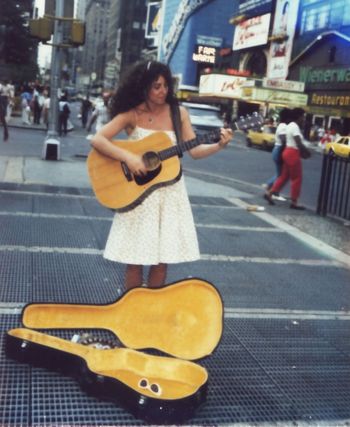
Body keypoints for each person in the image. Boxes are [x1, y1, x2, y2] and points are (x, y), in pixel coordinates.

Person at [90, 61, 232, 290]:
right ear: (143, 86)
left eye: (166, 86)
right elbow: (98, 140)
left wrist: (219, 146)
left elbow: (194, 150)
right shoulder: (132, 114)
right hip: (138, 196)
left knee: (162, 259)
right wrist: (129, 158)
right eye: (157, 86)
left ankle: (153, 310)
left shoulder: (179, 114)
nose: (163, 91)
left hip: (170, 195)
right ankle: (132, 310)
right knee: (134, 259)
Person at [264, 108, 307, 210]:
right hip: (293, 152)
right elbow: (298, 141)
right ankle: (294, 202)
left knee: (284, 176)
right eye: (303, 116)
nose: (304, 119)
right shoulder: (295, 126)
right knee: (296, 178)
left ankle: (270, 193)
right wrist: (306, 152)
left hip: (287, 151)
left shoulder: (289, 126)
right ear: (299, 116)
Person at [263, 108, 291, 198]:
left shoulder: (282, 125)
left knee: (280, 173)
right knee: (281, 174)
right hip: (279, 150)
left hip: (278, 149)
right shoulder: (283, 126)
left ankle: (271, 189)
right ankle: (270, 188)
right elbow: (283, 140)